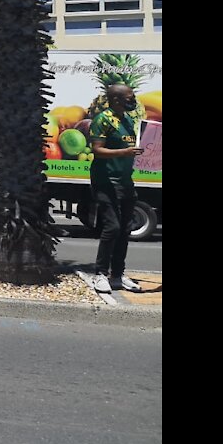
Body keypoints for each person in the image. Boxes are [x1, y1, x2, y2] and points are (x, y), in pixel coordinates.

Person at [89, 85, 145, 294]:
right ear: (116, 99)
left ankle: (118, 275)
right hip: (106, 182)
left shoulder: (128, 120)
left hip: (125, 182)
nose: (133, 100)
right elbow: (97, 150)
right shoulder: (102, 119)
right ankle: (100, 274)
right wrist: (125, 152)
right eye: (130, 97)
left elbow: (135, 146)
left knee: (124, 229)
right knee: (112, 227)